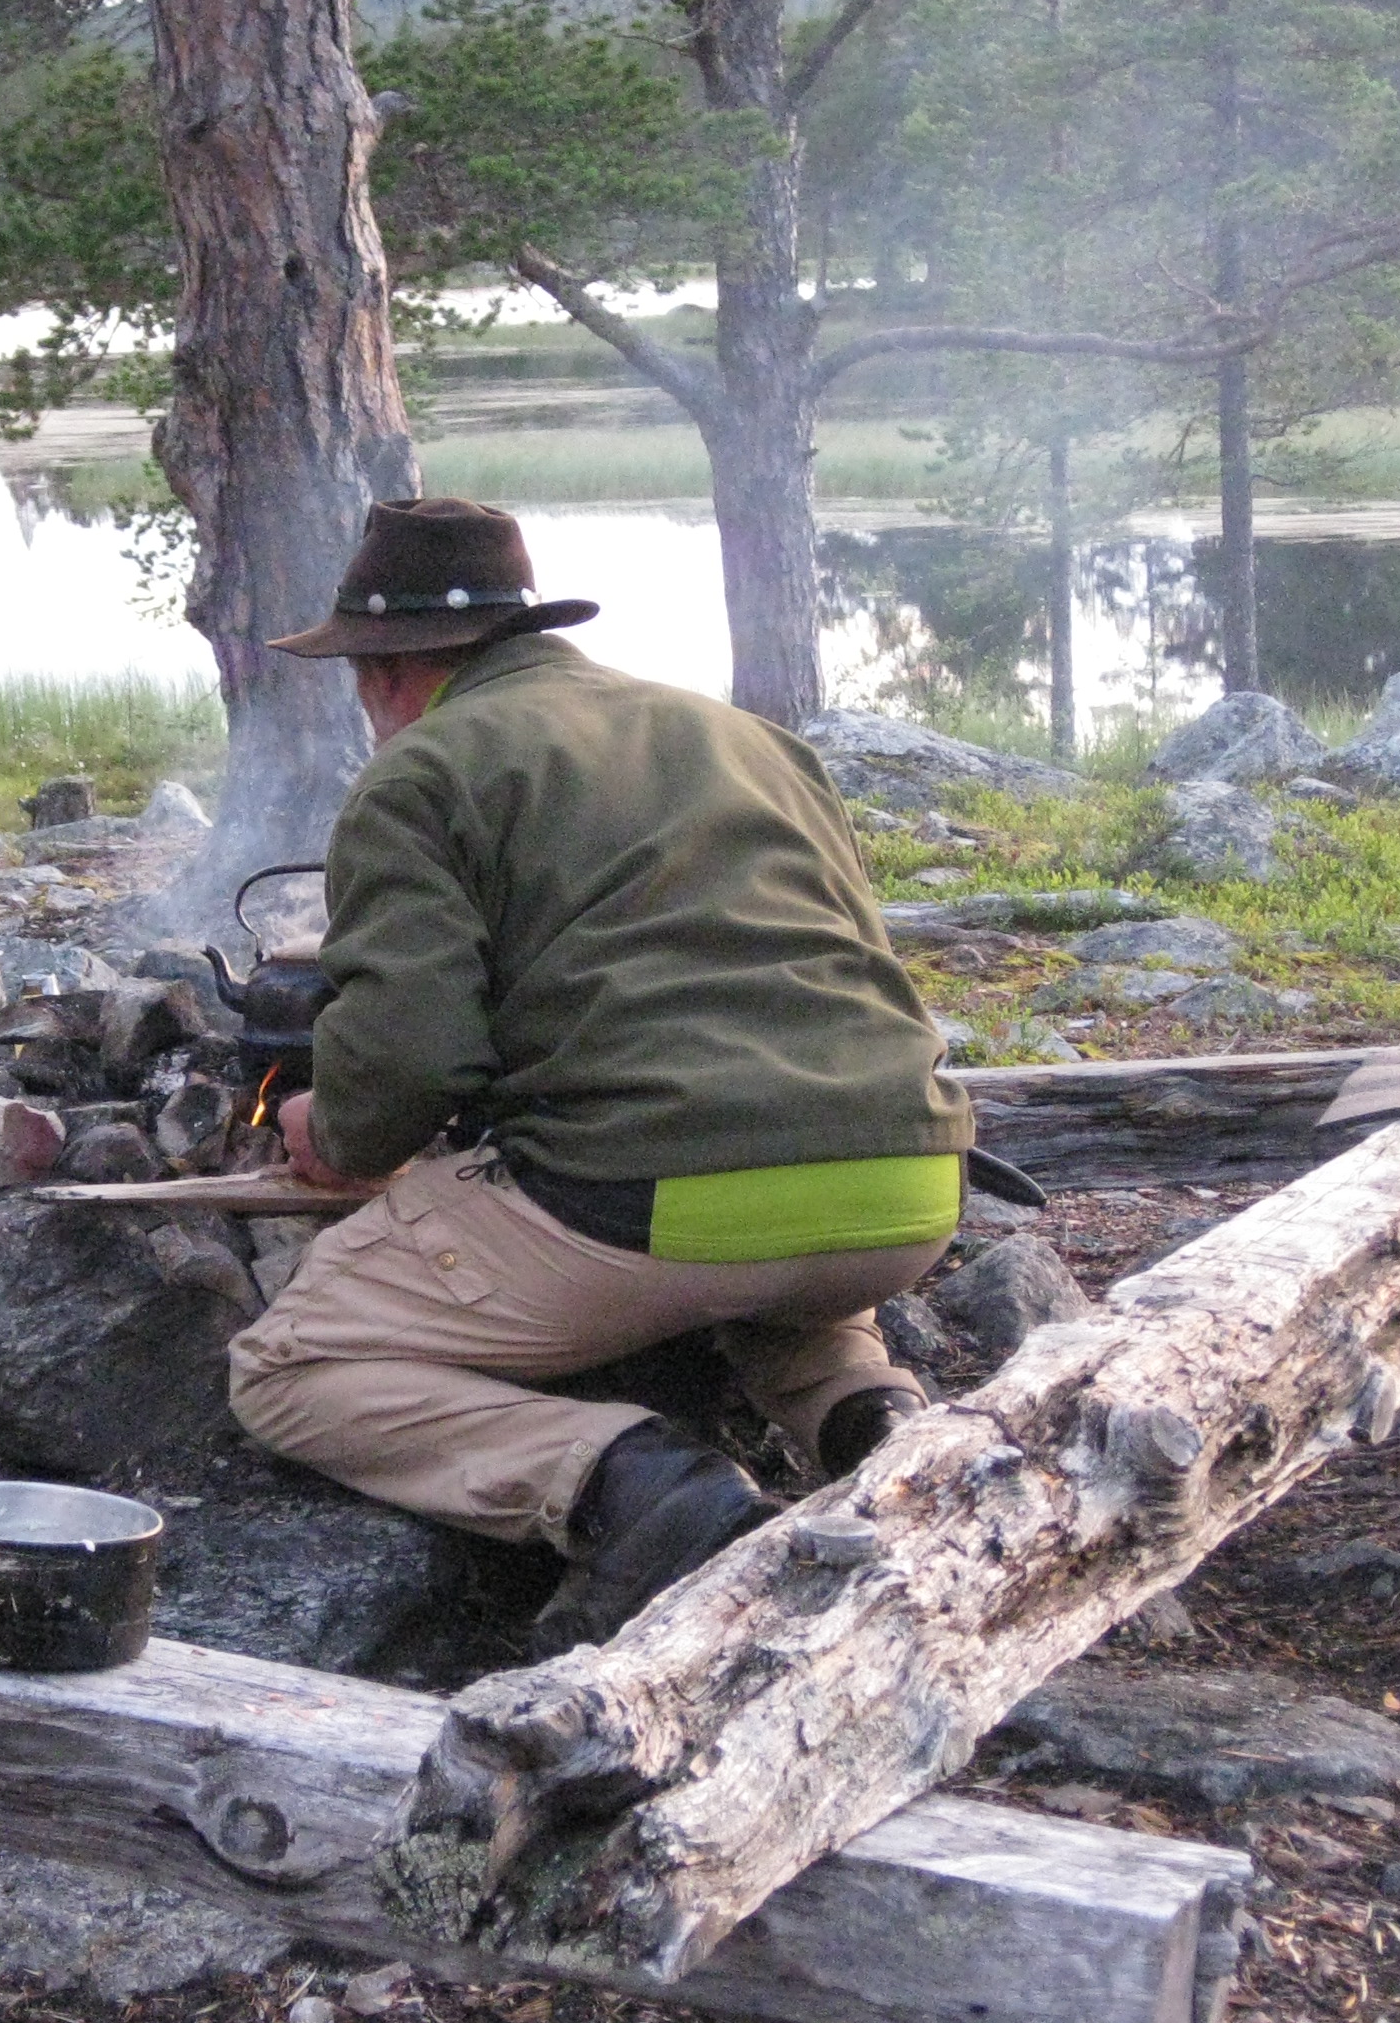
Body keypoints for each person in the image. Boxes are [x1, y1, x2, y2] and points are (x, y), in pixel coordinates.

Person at [225, 497, 975, 1648]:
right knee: (776, 1287)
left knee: (291, 1366)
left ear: (387, 670)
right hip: (901, 1188)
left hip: (648, 1204)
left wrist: (337, 1131)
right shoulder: (749, 740)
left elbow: (414, 1053)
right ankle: (886, 1443)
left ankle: (644, 1492)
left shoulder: (424, 769)